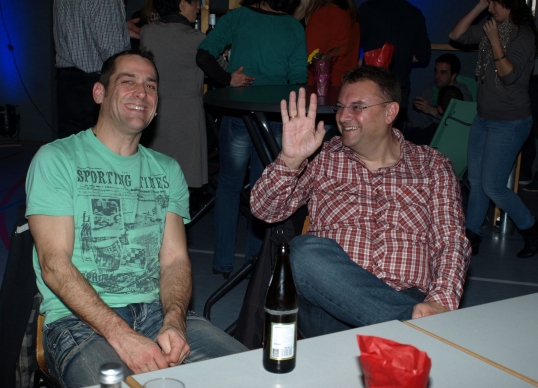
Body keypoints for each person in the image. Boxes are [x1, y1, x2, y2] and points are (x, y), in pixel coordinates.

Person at [25, 49, 247, 388]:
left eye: (150, 85)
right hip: (78, 321)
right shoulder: (57, 158)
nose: (141, 92)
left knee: (251, 378)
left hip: (156, 312)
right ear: (99, 93)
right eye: (127, 82)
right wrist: (121, 335)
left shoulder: (167, 170)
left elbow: (174, 260)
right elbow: (54, 264)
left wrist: (175, 321)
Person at [250, 66, 471, 337]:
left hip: (405, 294)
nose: (343, 117)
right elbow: (265, 211)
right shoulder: (323, 157)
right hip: (328, 304)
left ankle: (396, 332)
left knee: (400, 315)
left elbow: (450, 240)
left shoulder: (432, 166)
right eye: (341, 107)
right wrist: (290, 160)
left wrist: (440, 301)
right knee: (301, 253)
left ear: (390, 112)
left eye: (357, 107)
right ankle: (411, 331)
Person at [196, 0, 307, 279]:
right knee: (263, 190)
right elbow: (298, 78)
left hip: (240, 112)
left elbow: (203, 56)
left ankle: (222, 262)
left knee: (228, 186)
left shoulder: (238, 17)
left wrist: (226, 79)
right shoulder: (293, 26)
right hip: (276, 116)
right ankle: (255, 265)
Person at [450, 0, 538, 258]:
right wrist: (479, 7)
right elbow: (456, 35)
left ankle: (532, 229)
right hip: (484, 118)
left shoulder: (523, 35)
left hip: (510, 122)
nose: (491, 9)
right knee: (476, 182)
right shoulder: (492, 26)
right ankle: (472, 235)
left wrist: (494, 39)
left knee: (493, 186)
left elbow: (508, 76)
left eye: (495, 3)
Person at [141, 0, 217, 195]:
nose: (198, 7)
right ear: (183, 4)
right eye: (196, 3)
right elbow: (221, 68)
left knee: (154, 178)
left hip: (155, 113)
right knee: (183, 182)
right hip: (187, 118)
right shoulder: (197, 39)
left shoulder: (147, 32)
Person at [54, 0, 141, 139]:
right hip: (95, 83)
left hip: (67, 82)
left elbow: (79, 29)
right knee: (104, 146)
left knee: (72, 147)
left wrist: (120, 29)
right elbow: (113, 54)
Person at [358, 0, 431, 130]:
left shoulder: (368, 8)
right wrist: (402, 58)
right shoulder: (414, 13)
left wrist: (361, 62)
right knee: (395, 137)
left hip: (370, 83)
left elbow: (353, 45)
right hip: (398, 86)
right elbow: (423, 55)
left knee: (365, 134)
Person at [408, 53, 473, 133]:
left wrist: (431, 110)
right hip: (428, 132)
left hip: (448, 133)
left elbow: (463, 120)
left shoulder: (461, 92)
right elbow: (424, 122)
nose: (437, 76)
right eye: (436, 71)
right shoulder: (430, 90)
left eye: (443, 72)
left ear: (453, 76)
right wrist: (409, 124)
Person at [305, 0, 360, 87]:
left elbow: (306, 60)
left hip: (322, 87)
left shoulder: (325, 15)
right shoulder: (350, 12)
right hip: (344, 86)